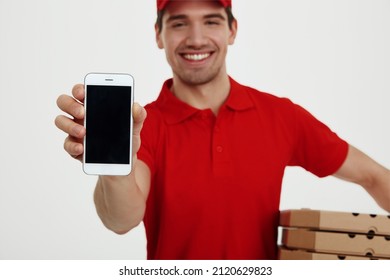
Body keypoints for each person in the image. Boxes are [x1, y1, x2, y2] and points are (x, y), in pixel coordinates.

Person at [55, 0, 390, 259]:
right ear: (158, 35)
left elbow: (373, 176)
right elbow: (121, 220)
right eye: (179, 23)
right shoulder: (144, 125)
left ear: (232, 30)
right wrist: (115, 165)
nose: (196, 38)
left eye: (211, 21)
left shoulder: (281, 116)